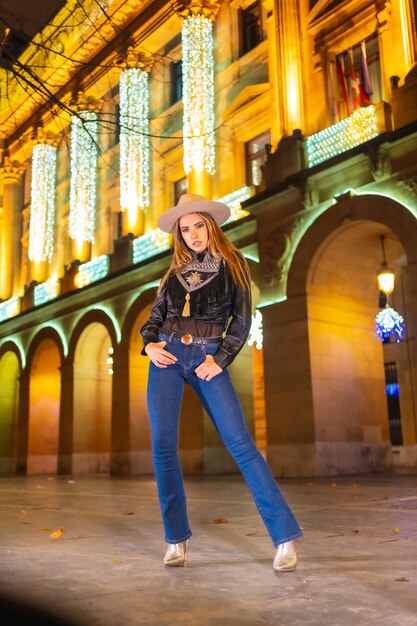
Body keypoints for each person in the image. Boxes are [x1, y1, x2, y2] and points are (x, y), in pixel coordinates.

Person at [140, 193, 302, 571]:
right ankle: (175, 540)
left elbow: (242, 320)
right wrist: (149, 345)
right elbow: (154, 319)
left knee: (241, 444)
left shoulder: (233, 264)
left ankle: (285, 538)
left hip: (208, 358)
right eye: (185, 229)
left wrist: (221, 358)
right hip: (167, 357)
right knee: (163, 448)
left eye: (198, 225)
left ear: (210, 226)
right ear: (178, 234)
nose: (193, 234)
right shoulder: (172, 274)